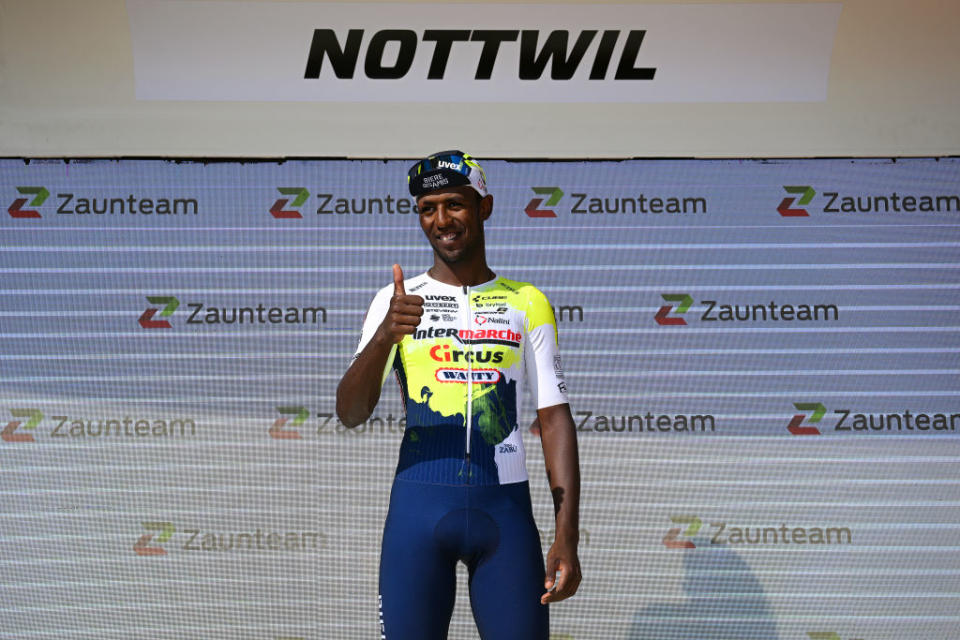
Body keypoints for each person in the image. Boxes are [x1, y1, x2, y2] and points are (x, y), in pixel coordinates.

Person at [336, 150, 581, 639]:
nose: (441, 220)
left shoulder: (525, 301)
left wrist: (567, 537)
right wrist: (387, 335)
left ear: (484, 207)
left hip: (505, 514)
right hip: (418, 512)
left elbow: (554, 419)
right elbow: (349, 413)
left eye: (455, 204)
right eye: (428, 208)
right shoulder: (395, 301)